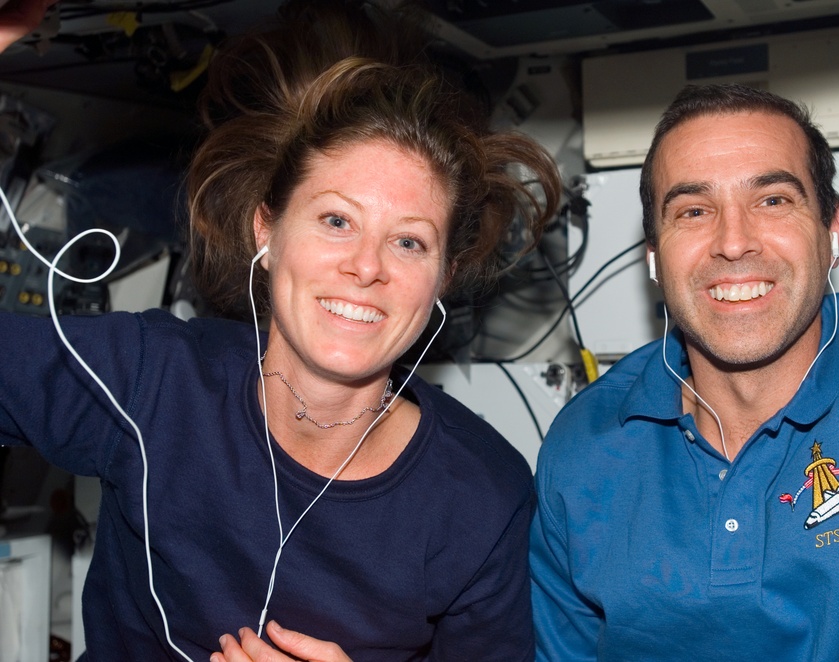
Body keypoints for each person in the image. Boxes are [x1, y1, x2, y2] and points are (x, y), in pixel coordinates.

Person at [0, 1, 561, 660]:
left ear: (444, 276)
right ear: (267, 230)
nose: (367, 267)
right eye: (336, 221)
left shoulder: (482, 494)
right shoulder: (152, 379)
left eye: (409, 242)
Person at [530, 82, 839, 660]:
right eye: (693, 210)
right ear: (654, 256)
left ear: (832, 231)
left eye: (773, 200)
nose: (733, 243)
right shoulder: (581, 448)